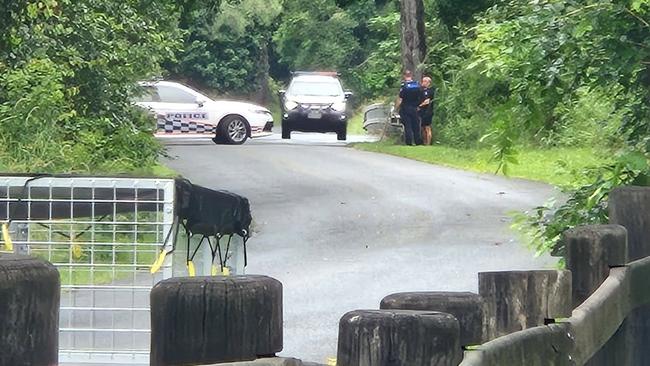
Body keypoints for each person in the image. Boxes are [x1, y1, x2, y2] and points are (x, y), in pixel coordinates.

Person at [395, 70, 423, 146]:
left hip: (406, 108)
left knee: (408, 125)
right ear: (411, 76)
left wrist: (396, 108)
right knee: (416, 125)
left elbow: (400, 99)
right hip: (415, 108)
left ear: (404, 76)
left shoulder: (404, 86)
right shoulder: (417, 85)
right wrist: (419, 106)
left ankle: (409, 142)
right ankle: (418, 141)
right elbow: (421, 97)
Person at [418, 76, 435, 145]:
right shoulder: (421, 90)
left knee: (427, 127)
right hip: (422, 112)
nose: (423, 83)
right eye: (423, 81)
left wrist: (419, 106)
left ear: (428, 83)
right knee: (422, 127)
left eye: (425, 81)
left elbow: (427, 101)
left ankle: (428, 143)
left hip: (428, 111)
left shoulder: (431, 91)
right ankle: (424, 142)